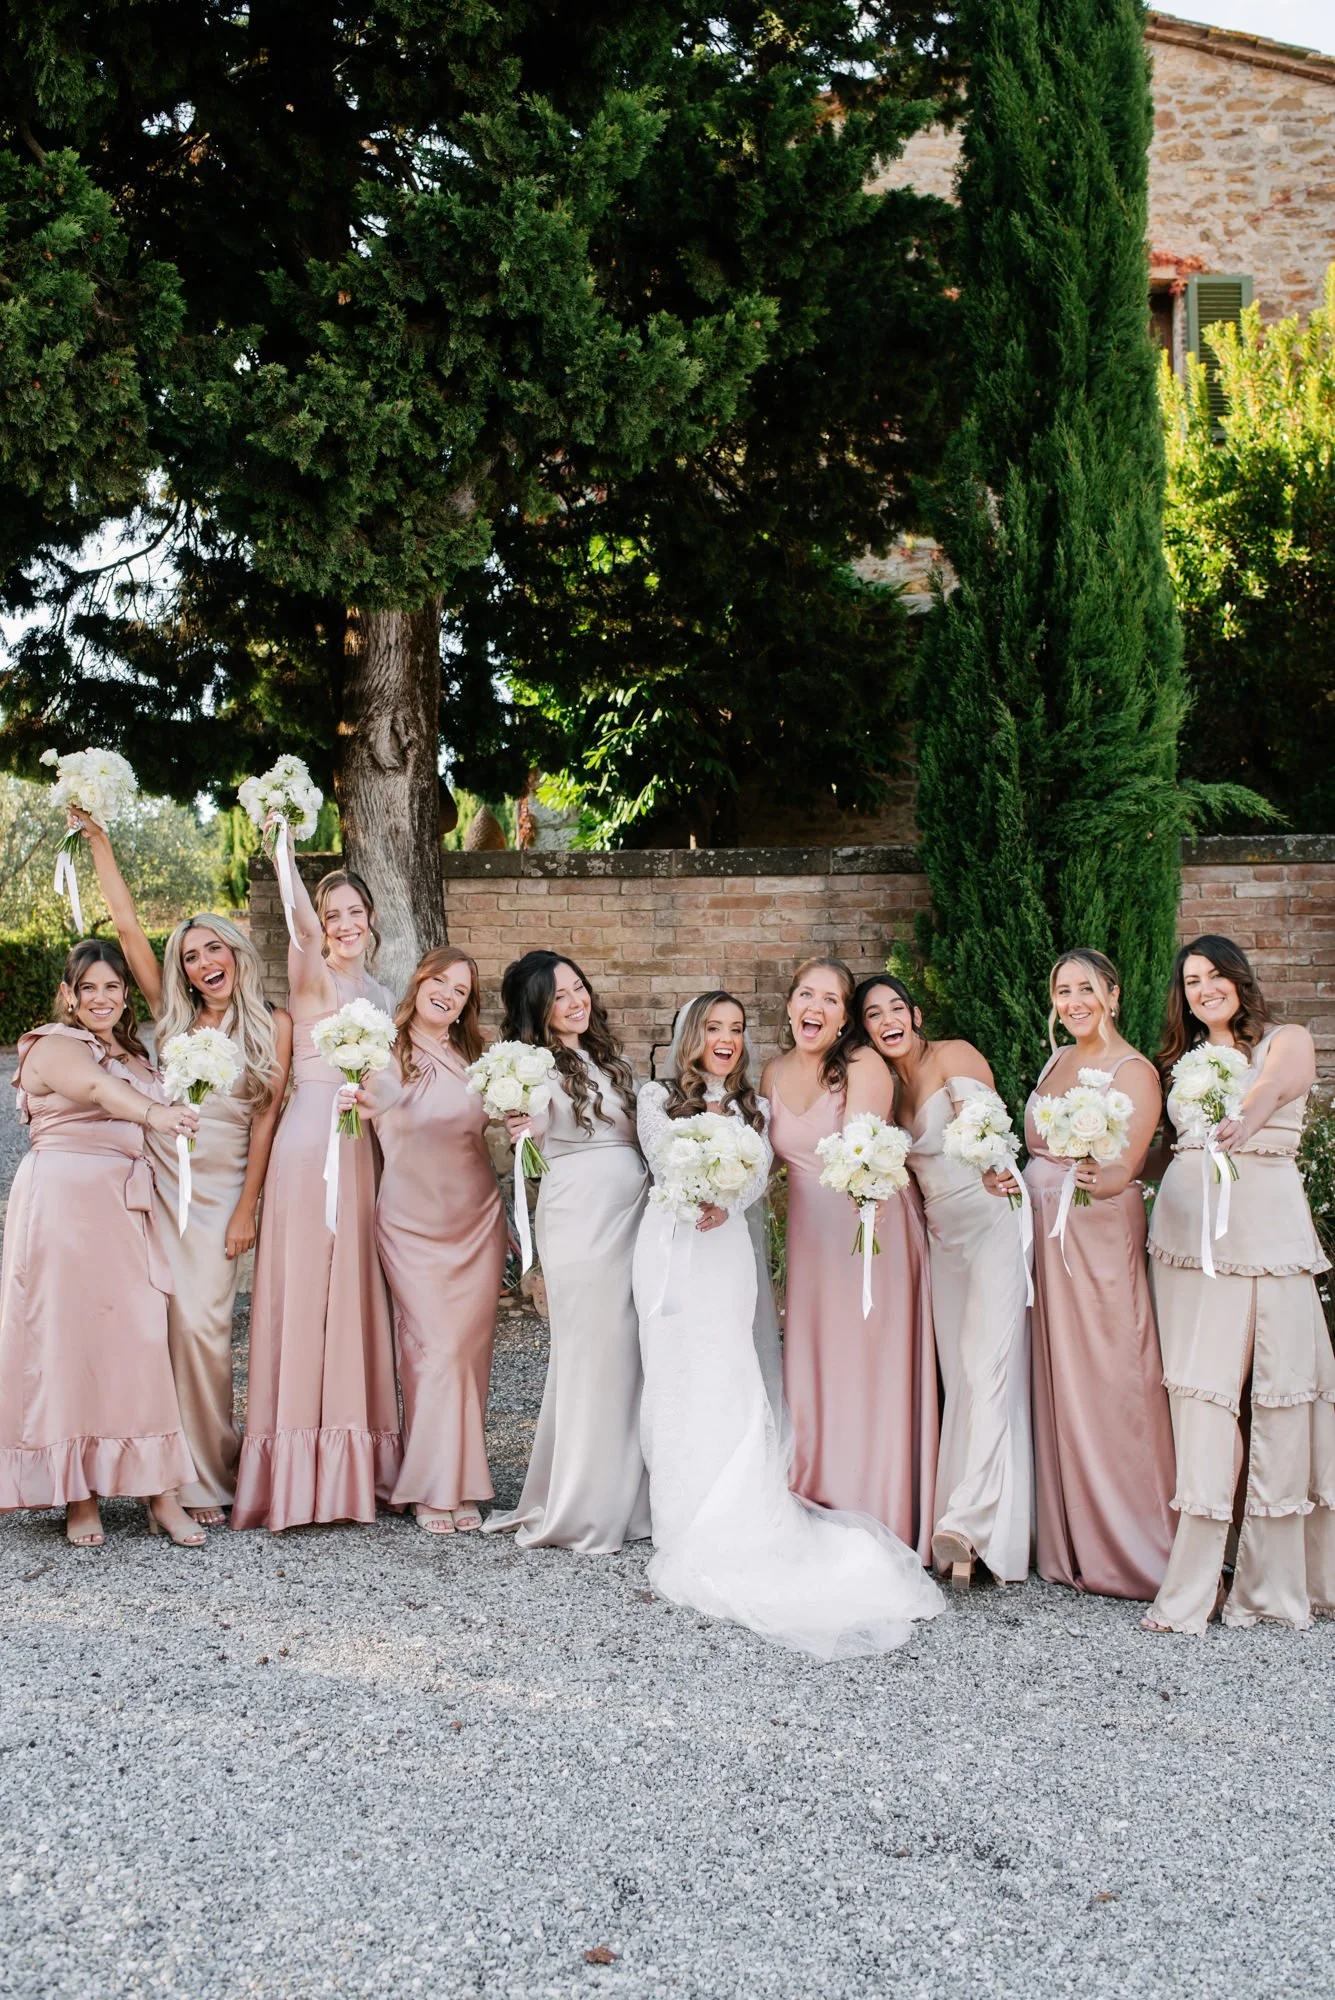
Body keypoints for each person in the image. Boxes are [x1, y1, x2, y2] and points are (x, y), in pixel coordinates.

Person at [632, 990, 944, 1655]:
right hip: (665, 1249)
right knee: (671, 1373)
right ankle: (676, 1510)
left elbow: (754, 1177)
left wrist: (725, 1198)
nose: (727, 1037)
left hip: (723, 1255)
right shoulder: (655, 1098)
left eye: (738, 1027)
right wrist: (694, 1191)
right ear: (689, 1032)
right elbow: (662, 1159)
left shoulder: (756, 1105)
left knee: (730, 1370)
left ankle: (736, 1503)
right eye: (713, 1026)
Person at [72, 812, 291, 1523]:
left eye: (212, 948)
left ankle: (206, 1473)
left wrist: (246, 1209)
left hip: (222, 1190)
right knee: (149, 1325)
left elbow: (267, 1119)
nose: (203, 963)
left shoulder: (272, 1024)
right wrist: (101, 843)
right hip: (158, 1185)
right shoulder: (171, 1016)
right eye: (191, 956)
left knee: (202, 1325)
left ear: (235, 951)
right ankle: (153, 1474)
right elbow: (130, 931)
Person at [1143, 936, 1335, 1633]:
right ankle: (1194, 1586)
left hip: (1268, 1241)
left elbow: (1268, 1091)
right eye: (1191, 980)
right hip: (1188, 1247)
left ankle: (1275, 1585)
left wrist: (1243, 1116)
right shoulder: (1179, 1063)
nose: (1203, 988)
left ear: (1239, 978)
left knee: (1281, 1395)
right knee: (1200, 1399)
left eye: (1214, 974)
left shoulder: (1285, 1039)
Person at [0, 942, 203, 1547]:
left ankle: (161, 1495)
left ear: (124, 995)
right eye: (87, 988)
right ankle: (78, 1494)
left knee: (140, 1337)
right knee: (68, 1341)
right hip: (61, 1207)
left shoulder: (138, 1055)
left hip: (126, 1208)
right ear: (68, 994)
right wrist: (154, 1113)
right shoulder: (52, 1046)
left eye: (111, 988)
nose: (100, 999)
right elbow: (94, 1090)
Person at [232, 835, 400, 1532]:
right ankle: (295, 1473)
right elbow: (299, 925)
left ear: (370, 917)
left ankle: (353, 1467)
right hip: (308, 1143)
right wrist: (284, 848)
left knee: (354, 1290)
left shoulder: (385, 992)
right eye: (332, 914)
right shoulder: (311, 977)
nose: (343, 923)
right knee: (305, 1289)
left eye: (354, 910)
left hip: (361, 1147)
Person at [993, 950, 1174, 1601]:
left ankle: (1136, 1542)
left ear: (1113, 995)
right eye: (1062, 991)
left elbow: (1125, 1167)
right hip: (1043, 1241)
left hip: (1095, 1237)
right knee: (1058, 1377)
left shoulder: (1134, 1072)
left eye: (1085, 989)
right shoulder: (1055, 1062)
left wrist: (1100, 1167)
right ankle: (1068, 1538)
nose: (1072, 1002)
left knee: (1110, 1373)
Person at [856, 975, 1032, 1590]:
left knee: (987, 1366)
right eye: (873, 1015)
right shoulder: (886, 1091)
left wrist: (992, 1169)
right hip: (943, 1240)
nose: (887, 1020)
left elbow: (989, 1128)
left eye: (895, 1008)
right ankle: (973, 1539)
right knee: (962, 1374)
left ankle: (967, 1520)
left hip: (991, 1218)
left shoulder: (954, 1055)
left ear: (917, 1013)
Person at [763, 958, 937, 1559]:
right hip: (812, 1244)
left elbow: (866, 1148)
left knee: (872, 1364)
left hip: (873, 1233)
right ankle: (819, 1501)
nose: (816, 1007)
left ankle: (883, 1508)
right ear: (789, 1005)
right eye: (805, 994)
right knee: (818, 1364)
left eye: (832, 999)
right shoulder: (771, 1073)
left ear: (843, 1019)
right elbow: (760, 1167)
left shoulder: (861, 1065)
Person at [485, 951, 650, 1554]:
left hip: (636, 1219)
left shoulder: (608, 1058)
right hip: (581, 1220)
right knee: (593, 1355)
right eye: (560, 996)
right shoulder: (534, 1069)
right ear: (538, 1009)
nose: (575, 1000)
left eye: (578, 987)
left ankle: (632, 1497)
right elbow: (528, 1134)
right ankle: (585, 1503)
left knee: (631, 1356)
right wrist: (520, 1126)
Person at [341, 947, 505, 1535]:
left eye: (461, 991)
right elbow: (360, 1116)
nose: (448, 995)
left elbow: (495, 1130)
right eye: (440, 981)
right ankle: (430, 1485)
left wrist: (519, 1121)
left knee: (465, 1353)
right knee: (430, 1350)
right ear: (419, 983)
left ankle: (461, 1483)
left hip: (477, 1218)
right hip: (411, 1223)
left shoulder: (478, 1057)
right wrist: (347, 1107)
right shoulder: (379, 1047)